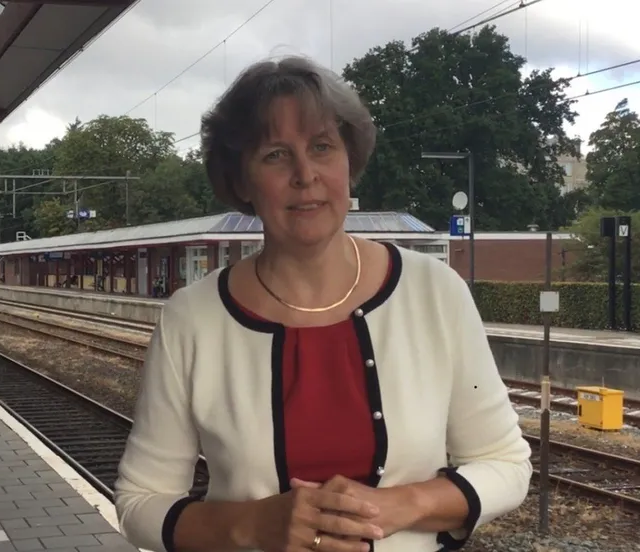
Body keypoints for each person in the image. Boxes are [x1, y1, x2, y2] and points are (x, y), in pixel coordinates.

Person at [114, 55, 531, 552]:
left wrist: (403, 504)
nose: (305, 174)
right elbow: (140, 502)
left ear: (349, 163)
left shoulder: (436, 293)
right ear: (241, 180)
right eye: (275, 155)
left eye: (322, 147)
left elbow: (506, 464)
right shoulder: (191, 319)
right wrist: (250, 527)